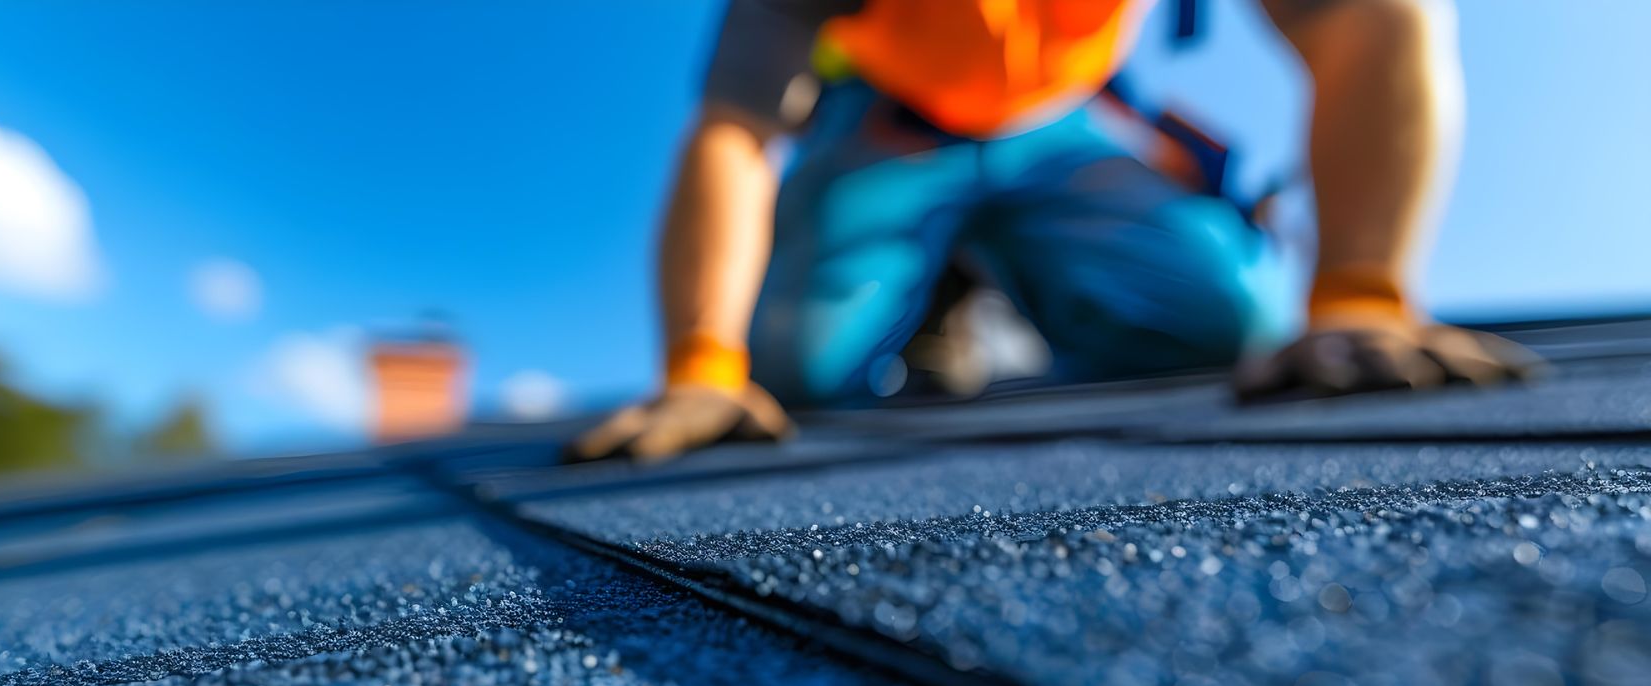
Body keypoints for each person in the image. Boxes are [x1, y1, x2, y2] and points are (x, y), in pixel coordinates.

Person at [569, 0, 1535, 463]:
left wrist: (1360, 297)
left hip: (1060, 124)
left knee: (1222, 329)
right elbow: (736, 130)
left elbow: (1369, 22)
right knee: (799, 374)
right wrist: (701, 367)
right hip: (889, 129)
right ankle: (938, 274)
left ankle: (999, 254)